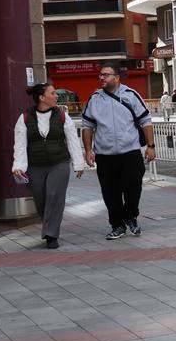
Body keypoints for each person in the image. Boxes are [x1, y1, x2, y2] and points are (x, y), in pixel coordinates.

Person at [80, 65, 156, 240]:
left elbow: (145, 120)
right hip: (105, 155)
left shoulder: (131, 95)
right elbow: (87, 126)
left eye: (106, 75)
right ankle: (117, 225)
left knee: (133, 186)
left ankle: (131, 216)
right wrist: (88, 150)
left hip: (130, 151)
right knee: (110, 191)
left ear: (117, 77)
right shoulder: (94, 99)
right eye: (100, 75)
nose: (102, 78)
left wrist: (151, 146)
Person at [11, 83, 87, 249]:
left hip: (59, 163)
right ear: (41, 97)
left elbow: (73, 140)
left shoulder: (62, 116)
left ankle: (51, 235)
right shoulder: (24, 118)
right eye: (52, 93)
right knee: (41, 200)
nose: (56, 96)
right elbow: (20, 145)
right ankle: (50, 227)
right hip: (35, 165)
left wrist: (78, 163)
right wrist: (19, 166)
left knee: (54, 195)